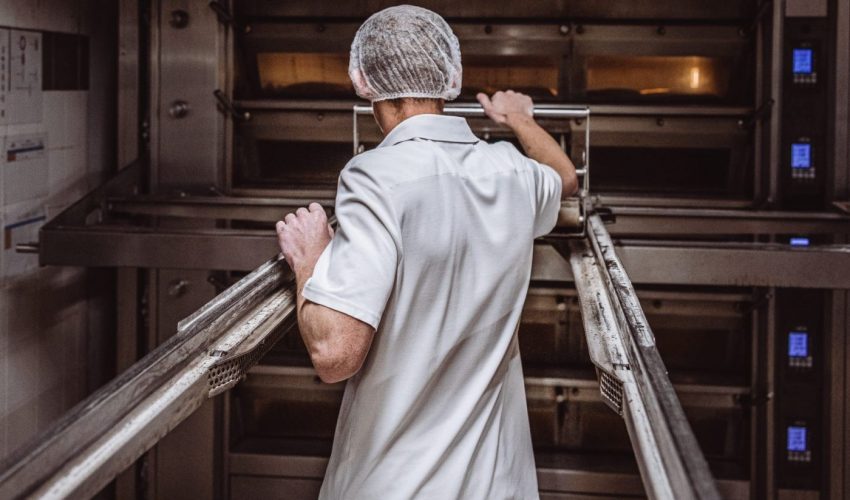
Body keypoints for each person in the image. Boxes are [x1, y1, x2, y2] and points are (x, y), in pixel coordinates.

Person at [275, 5, 577, 499]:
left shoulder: (374, 176)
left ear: (362, 79)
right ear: (450, 77)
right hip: (497, 485)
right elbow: (563, 178)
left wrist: (310, 259)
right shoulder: (511, 172)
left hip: (399, 484)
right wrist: (519, 119)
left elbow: (335, 354)